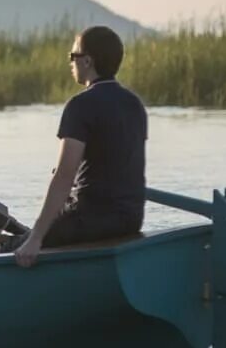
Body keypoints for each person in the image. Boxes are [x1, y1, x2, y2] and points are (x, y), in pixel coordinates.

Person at [14, 26, 147, 268]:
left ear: (87, 61)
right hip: (131, 218)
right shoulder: (134, 104)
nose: (70, 62)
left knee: (12, 247)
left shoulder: (80, 105)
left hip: (93, 219)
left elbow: (64, 176)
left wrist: (35, 239)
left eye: (72, 56)